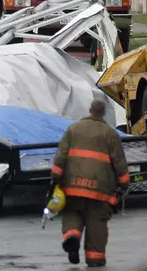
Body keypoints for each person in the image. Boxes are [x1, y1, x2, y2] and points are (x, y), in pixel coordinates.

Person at [51, 99, 129, 267]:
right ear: (104, 113)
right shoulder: (111, 134)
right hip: (99, 190)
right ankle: (95, 258)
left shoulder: (73, 129)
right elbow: (119, 163)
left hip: (73, 187)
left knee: (72, 214)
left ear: (89, 110)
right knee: (97, 222)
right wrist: (123, 184)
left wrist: (55, 178)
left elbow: (61, 156)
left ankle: (72, 237)